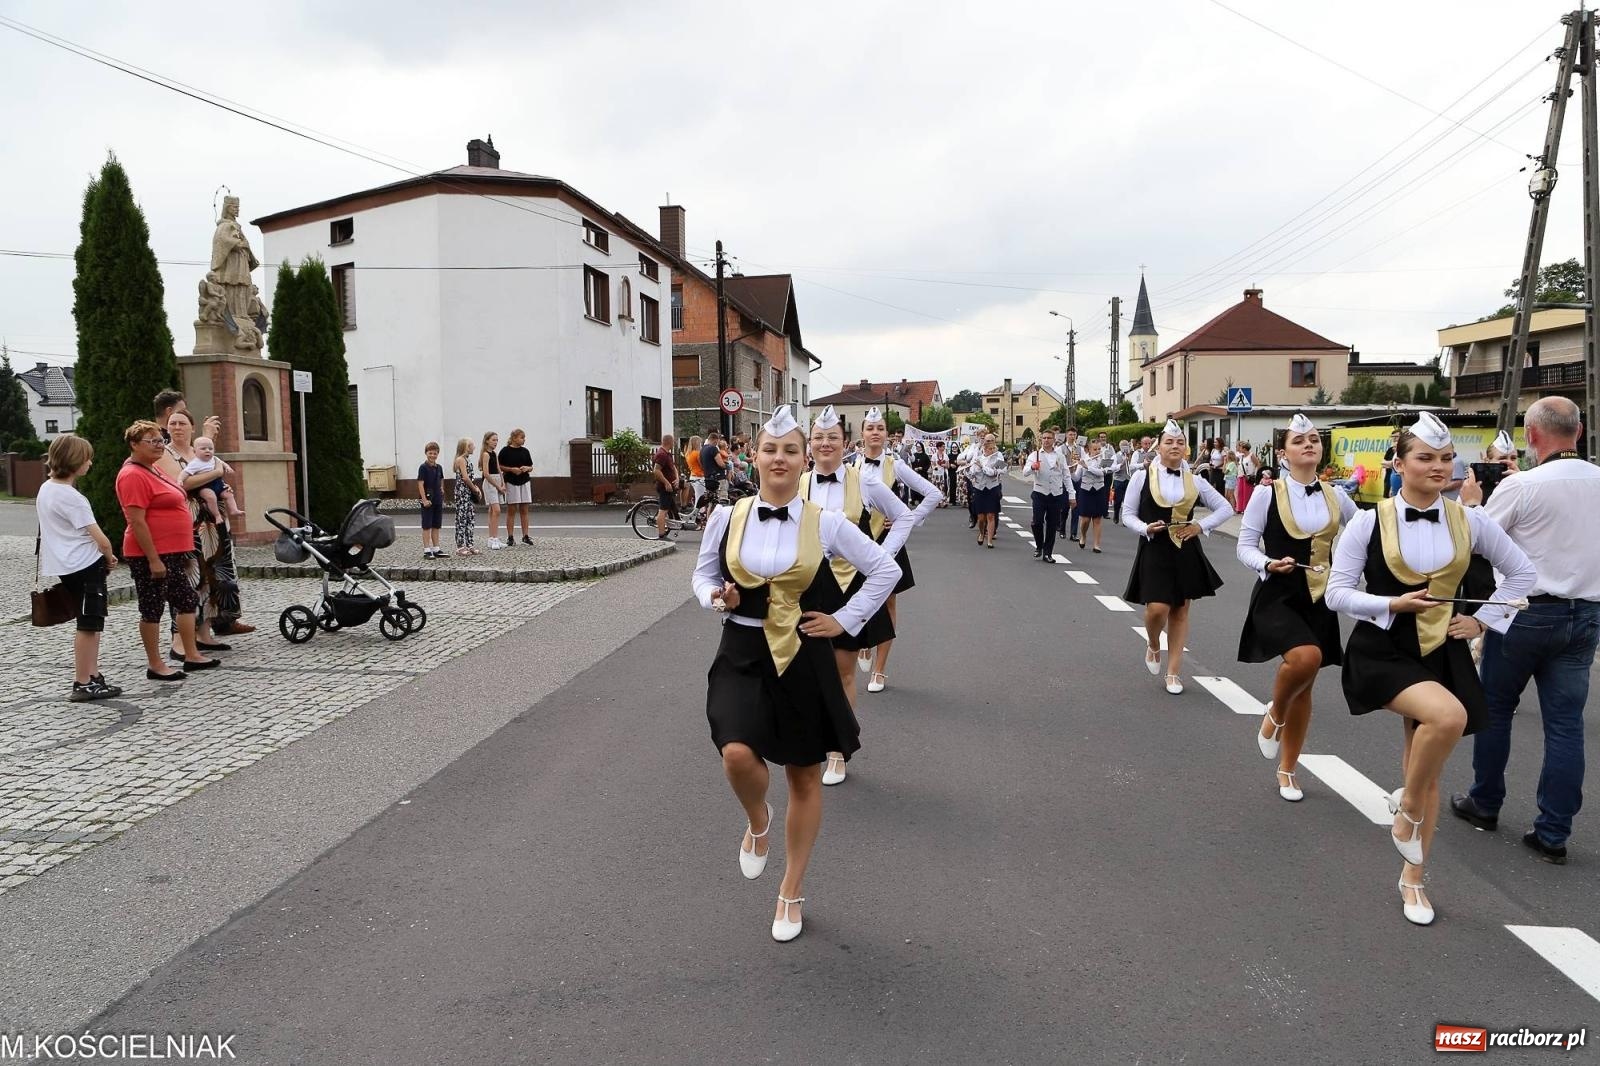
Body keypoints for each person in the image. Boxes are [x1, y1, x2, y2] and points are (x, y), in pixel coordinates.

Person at [694, 405, 898, 942]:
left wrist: (846, 619)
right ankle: (758, 822)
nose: (779, 458)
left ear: (804, 458)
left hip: (802, 653)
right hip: (740, 646)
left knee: (804, 775)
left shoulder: (825, 521)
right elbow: (702, 575)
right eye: (769, 449)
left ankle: (792, 888)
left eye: (790, 450)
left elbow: (885, 569)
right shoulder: (727, 515)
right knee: (736, 751)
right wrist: (715, 597)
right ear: (753, 457)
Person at [1325, 413, 1535, 925]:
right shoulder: (1367, 521)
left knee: (1430, 764)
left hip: (1442, 649)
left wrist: (1482, 620)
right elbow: (1336, 593)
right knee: (1448, 718)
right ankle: (1408, 805)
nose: (1440, 467)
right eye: (1425, 458)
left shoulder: (1471, 520)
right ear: (1399, 464)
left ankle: (1413, 878)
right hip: (1382, 649)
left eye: (1445, 459)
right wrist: (1390, 605)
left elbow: (1523, 573)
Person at [1451, 397, 1600, 865]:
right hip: (1586, 613)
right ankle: (1553, 832)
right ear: (1578, 432)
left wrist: (1473, 504)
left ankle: (1486, 802)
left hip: (1525, 611)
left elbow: (1473, 544)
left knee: (1495, 708)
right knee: (1565, 724)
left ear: (1532, 436)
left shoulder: (1522, 486)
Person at [1237, 414, 1359, 802]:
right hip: (1278, 595)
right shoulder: (1265, 494)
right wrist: (1267, 564)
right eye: (1299, 440)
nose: (1309, 445)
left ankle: (1287, 768)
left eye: (1314, 440)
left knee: (1306, 686)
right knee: (1305, 658)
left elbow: (1367, 535)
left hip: (1319, 598)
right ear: (1283, 453)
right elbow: (1245, 546)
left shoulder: (1338, 496)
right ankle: (1274, 714)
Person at [800, 406, 910, 785]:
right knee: (810, 670)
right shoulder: (797, 484)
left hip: (848, 585)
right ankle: (816, 737)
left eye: (832, 438)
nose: (825, 444)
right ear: (809, 446)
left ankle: (838, 751)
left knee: (844, 670)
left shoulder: (863, 480)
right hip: (810, 587)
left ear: (845, 443)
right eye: (818, 438)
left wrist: (883, 552)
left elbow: (904, 516)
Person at [1121, 420, 1233, 695]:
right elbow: (1127, 514)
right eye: (1169, 442)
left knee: (1181, 610)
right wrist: (1145, 528)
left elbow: (1225, 508)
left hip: (1186, 548)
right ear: (1158, 447)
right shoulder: (1142, 476)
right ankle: (1152, 642)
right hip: (1155, 546)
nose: (1175, 446)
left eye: (1180, 442)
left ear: (1186, 449)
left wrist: (1200, 526)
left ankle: (1174, 672)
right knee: (1157, 608)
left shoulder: (1195, 480)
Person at [116, 420, 220, 681]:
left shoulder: (153, 469)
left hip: (173, 552)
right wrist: (153, 559)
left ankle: (192, 654)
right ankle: (156, 664)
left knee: (186, 601)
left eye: (160, 440)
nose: (159, 445)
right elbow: (136, 521)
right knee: (151, 607)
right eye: (151, 441)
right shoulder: (132, 475)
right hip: (151, 554)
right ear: (133, 445)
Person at [853, 406, 943, 694]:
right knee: (856, 598)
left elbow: (933, 493)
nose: (875, 433)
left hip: (888, 542)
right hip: (858, 542)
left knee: (888, 603)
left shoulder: (895, 465)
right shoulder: (850, 467)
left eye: (880, 429)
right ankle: (863, 644)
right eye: (870, 428)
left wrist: (910, 518)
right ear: (862, 433)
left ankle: (880, 669)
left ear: (886, 434)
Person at [153, 390, 252, 638]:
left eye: (183, 423)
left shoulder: (197, 451)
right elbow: (182, 484)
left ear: (192, 428)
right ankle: (186, 633)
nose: (177, 427)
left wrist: (218, 474)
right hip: (188, 521)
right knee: (191, 576)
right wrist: (217, 473)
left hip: (213, 520)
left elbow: (210, 466)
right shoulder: (165, 453)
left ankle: (215, 624)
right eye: (173, 423)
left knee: (217, 574)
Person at [38, 434, 121, 702]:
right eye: (87, 458)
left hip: (66, 564)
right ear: (75, 461)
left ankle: (93, 675)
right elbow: (99, 537)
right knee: (88, 624)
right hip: (85, 563)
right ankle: (83, 681)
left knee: (92, 622)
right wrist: (109, 557)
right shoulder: (72, 497)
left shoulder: (46, 488)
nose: (90, 463)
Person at [1023, 429, 1074, 564]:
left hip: (1056, 494)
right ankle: (1039, 545)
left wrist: (1071, 494)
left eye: (1049, 438)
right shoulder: (1035, 455)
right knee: (1037, 522)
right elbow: (1025, 472)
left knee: (1052, 525)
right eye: (1044, 438)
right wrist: (1033, 467)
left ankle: (1048, 552)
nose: (1046, 440)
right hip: (1040, 493)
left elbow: (1066, 475)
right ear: (1041, 440)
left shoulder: (1060, 455)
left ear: (1053, 439)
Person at [182, 436, 245, 523]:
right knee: (211, 497)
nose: (207, 450)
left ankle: (234, 509)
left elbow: (222, 463)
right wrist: (180, 480)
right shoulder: (194, 463)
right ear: (195, 452)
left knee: (228, 494)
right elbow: (186, 472)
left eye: (210, 448)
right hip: (204, 485)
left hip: (217, 482)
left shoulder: (214, 458)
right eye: (203, 449)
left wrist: (228, 467)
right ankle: (217, 515)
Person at [1075, 437, 1114, 553]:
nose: (1097, 451)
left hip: (1099, 490)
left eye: (1099, 449)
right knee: (1085, 519)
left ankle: (1096, 544)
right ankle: (1083, 535)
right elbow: (1077, 477)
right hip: (1086, 490)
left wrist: (1087, 467)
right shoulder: (1083, 460)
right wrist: (1070, 471)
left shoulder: (1103, 461)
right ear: (1089, 450)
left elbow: (1101, 473)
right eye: (1095, 449)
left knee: (1097, 519)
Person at [970, 433, 1007, 549]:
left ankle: (990, 540)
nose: (991, 450)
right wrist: (975, 470)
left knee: (991, 514)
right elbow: (972, 472)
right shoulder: (978, 458)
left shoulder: (998, 456)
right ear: (984, 448)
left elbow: (998, 471)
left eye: (992, 447)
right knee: (981, 517)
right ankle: (981, 532)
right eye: (988, 447)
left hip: (993, 487)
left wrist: (984, 468)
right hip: (980, 488)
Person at [497, 429, 534, 547]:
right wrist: (511, 469)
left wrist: (526, 468)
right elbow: (499, 467)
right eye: (521, 437)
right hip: (511, 481)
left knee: (524, 509)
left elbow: (531, 466)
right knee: (511, 509)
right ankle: (510, 536)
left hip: (524, 480)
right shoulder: (505, 451)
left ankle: (525, 535)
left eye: (524, 437)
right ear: (514, 438)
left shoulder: (525, 451)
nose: (524, 439)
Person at [452, 438, 482, 556]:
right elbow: (465, 477)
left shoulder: (467, 459)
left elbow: (470, 476)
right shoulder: (461, 460)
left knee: (470, 518)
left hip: (468, 492)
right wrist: (474, 489)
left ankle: (469, 544)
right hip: (462, 492)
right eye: (472, 445)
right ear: (466, 447)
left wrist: (476, 488)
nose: (474, 447)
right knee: (462, 518)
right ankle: (460, 546)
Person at [417, 442, 445, 558]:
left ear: (438, 453)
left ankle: (436, 548)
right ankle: (427, 549)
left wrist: (442, 488)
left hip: (437, 499)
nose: (433, 455)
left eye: (435, 453)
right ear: (426, 453)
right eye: (430, 453)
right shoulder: (423, 467)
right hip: (428, 499)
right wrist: (424, 500)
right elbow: (420, 484)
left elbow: (441, 479)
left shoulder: (439, 467)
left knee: (436, 524)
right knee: (427, 525)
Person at [480, 432, 507, 551]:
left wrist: (503, 482)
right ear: (487, 441)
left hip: (497, 481)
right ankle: (494, 538)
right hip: (490, 483)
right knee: (496, 510)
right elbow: (486, 474)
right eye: (493, 440)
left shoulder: (494, 454)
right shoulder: (485, 454)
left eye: (497, 440)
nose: (495, 442)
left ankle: (492, 538)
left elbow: (498, 469)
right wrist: (497, 485)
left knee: (492, 511)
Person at [652, 432, 681, 538]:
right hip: (665, 488)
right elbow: (656, 470)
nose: (673, 443)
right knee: (663, 511)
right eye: (673, 441)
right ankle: (661, 534)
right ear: (670, 442)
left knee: (673, 509)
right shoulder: (661, 455)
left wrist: (677, 479)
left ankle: (678, 525)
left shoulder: (667, 454)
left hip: (671, 487)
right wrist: (667, 482)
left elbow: (673, 468)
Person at [1111, 439, 1134, 524]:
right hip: (1119, 480)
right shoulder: (1115, 456)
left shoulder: (1131, 455)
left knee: (1127, 500)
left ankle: (1125, 519)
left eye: (1126, 446)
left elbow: (1133, 466)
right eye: (1123, 446)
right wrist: (1122, 464)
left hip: (1128, 479)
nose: (1125, 448)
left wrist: (1130, 458)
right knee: (1118, 500)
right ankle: (1116, 514)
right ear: (1120, 447)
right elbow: (1113, 468)